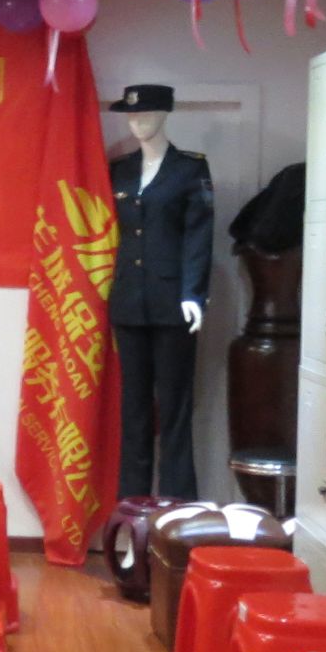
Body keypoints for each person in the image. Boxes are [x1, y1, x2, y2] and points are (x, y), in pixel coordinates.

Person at [107, 84, 213, 501]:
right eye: (132, 116)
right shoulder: (120, 170)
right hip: (129, 304)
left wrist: (194, 294)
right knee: (133, 414)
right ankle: (131, 510)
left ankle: (177, 510)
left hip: (174, 306)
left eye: (146, 115)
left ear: (165, 115)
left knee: (174, 412)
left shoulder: (189, 169)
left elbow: (198, 234)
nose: (137, 123)